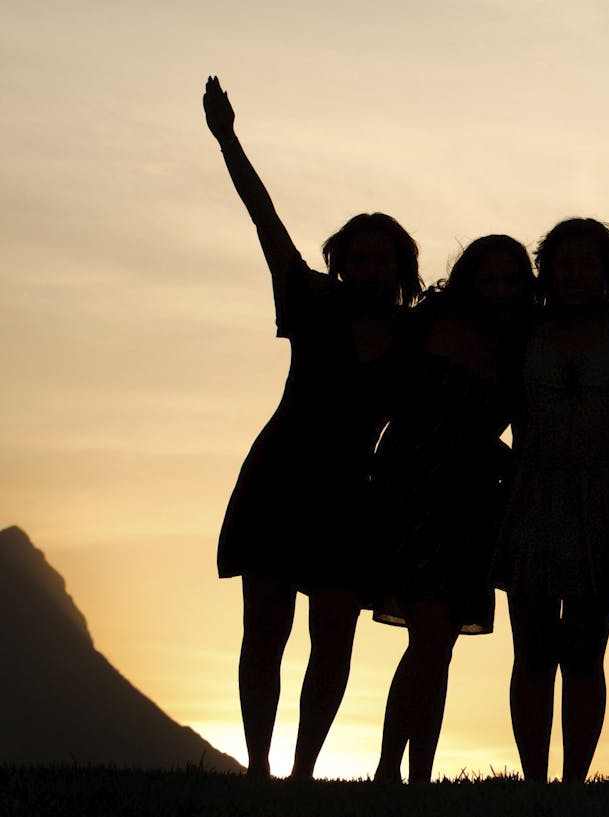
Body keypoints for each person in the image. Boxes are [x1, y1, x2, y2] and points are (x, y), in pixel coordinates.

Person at [204, 76, 422, 779]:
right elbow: (263, 217)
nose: (370, 266)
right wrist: (228, 138)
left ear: (401, 267)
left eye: (382, 257)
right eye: (358, 256)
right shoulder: (307, 298)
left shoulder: (416, 334)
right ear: (340, 262)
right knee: (264, 626)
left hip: (351, 492)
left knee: (335, 629)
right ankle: (261, 766)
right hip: (280, 476)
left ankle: (303, 769)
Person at [370, 234, 536, 783]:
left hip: (470, 497)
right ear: (468, 278)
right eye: (488, 278)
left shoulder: (519, 346)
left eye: (510, 279)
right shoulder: (427, 323)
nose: (499, 289)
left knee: (436, 644)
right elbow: (388, 392)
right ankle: (395, 770)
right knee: (431, 633)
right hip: (410, 484)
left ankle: (409, 775)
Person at [491, 218, 609, 783]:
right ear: (547, 271)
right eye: (564, 263)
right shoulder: (524, 328)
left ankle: (574, 781)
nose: (576, 275)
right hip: (530, 495)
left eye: (587, 264)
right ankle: (533, 779)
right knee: (530, 650)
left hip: (600, 495)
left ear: (606, 272)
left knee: (583, 652)